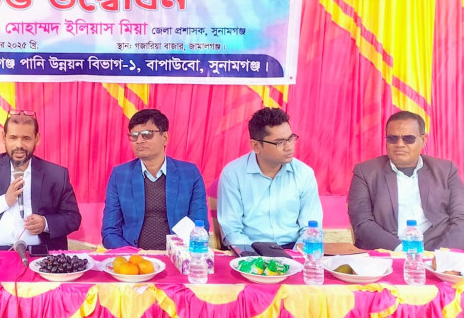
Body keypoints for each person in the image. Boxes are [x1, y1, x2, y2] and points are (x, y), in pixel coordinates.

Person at [0, 110, 81, 250]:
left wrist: (45, 223)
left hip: (40, 253)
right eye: (13, 137)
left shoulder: (57, 174)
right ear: (4, 137)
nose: (19, 145)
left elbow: (73, 218)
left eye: (26, 138)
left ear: (37, 139)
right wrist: (4, 201)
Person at [348, 111, 464, 251]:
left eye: (408, 138)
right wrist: (401, 250)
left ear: (423, 140)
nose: (400, 144)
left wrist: (439, 255)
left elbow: (460, 218)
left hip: (437, 251)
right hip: (387, 253)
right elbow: (361, 221)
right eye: (392, 138)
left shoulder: (446, 171)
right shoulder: (365, 172)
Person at [101, 109, 208, 250]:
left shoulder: (189, 173)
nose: (139, 141)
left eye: (147, 134)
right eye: (134, 136)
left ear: (165, 137)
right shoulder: (120, 175)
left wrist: (177, 253)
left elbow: (199, 225)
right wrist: (134, 255)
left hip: (177, 255)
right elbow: (110, 232)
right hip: (133, 258)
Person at [217, 107, 322, 248]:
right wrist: (254, 256)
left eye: (291, 139)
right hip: (251, 249)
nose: (289, 147)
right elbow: (232, 231)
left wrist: (298, 254)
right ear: (256, 146)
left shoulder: (304, 173)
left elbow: (311, 228)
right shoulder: (233, 174)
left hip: (293, 249)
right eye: (280, 142)